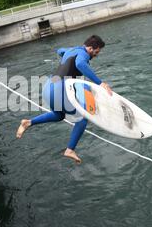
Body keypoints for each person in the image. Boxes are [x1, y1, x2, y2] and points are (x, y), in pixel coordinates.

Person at [16, 35, 112, 164]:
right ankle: (70, 150)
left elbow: (59, 50)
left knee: (59, 115)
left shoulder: (73, 50)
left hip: (48, 86)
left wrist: (66, 57)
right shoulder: (83, 54)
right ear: (90, 48)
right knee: (82, 118)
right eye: (96, 52)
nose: (96, 55)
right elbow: (80, 64)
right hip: (58, 89)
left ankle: (28, 122)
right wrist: (100, 83)